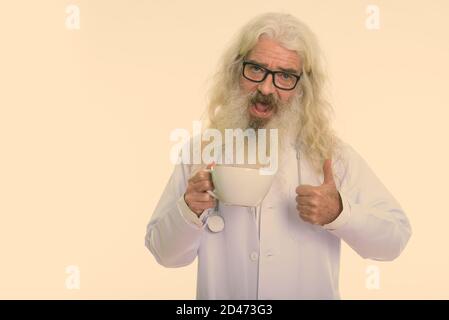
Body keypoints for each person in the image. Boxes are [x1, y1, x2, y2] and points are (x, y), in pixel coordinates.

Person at [145, 12, 411, 299]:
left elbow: (394, 240)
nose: (266, 88)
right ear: (237, 70)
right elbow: (164, 254)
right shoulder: (202, 150)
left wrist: (340, 213)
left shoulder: (330, 155)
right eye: (256, 69)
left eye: (285, 76)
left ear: (303, 87)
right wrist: (189, 208)